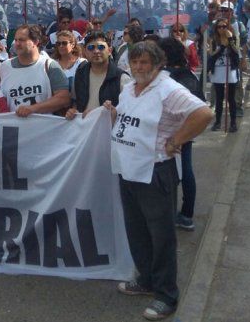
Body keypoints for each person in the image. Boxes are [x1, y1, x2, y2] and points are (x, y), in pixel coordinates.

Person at [106, 41, 212, 321]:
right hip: (128, 167)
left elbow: (204, 113)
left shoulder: (168, 89)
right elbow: (129, 120)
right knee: (136, 228)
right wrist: (113, 113)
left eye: (144, 63)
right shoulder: (129, 87)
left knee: (161, 235)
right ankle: (146, 279)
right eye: (135, 62)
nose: (139, 67)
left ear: (157, 65)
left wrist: (177, 140)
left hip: (155, 171)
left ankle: (166, 295)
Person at [158, 37, 206, 231]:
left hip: (170, 133)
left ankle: (174, 214)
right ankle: (186, 213)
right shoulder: (190, 74)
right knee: (185, 171)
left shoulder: (165, 78)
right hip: (187, 131)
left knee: (172, 172)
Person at [0, 24, 70, 117]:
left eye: (22, 40)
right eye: (16, 40)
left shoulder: (49, 66)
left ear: (36, 42)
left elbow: (64, 98)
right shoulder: (4, 68)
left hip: (42, 129)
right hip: (14, 129)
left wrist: (33, 109)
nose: (17, 44)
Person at [67, 32, 130, 119]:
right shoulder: (79, 74)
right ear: (85, 52)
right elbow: (75, 103)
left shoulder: (122, 78)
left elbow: (129, 112)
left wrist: (113, 114)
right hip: (84, 128)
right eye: (91, 47)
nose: (96, 51)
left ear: (109, 51)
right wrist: (73, 111)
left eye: (101, 47)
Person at [207, 19, 240, 132]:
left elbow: (236, 52)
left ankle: (233, 123)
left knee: (231, 98)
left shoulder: (233, 37)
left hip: (230, 70)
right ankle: (217, 122)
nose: (222, 29)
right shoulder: (213, 40)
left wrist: (230, 40)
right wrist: (221, 47)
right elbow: (212, 54)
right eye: (219, 27)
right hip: (218, 71)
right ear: (216, 28)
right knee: (219, 98)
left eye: (224, 26)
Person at [52, 30, 86, 95]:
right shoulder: (52, 64)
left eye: (64, 43)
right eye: (58, 44)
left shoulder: (82, 63)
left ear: (72, 45)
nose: (61, 46)